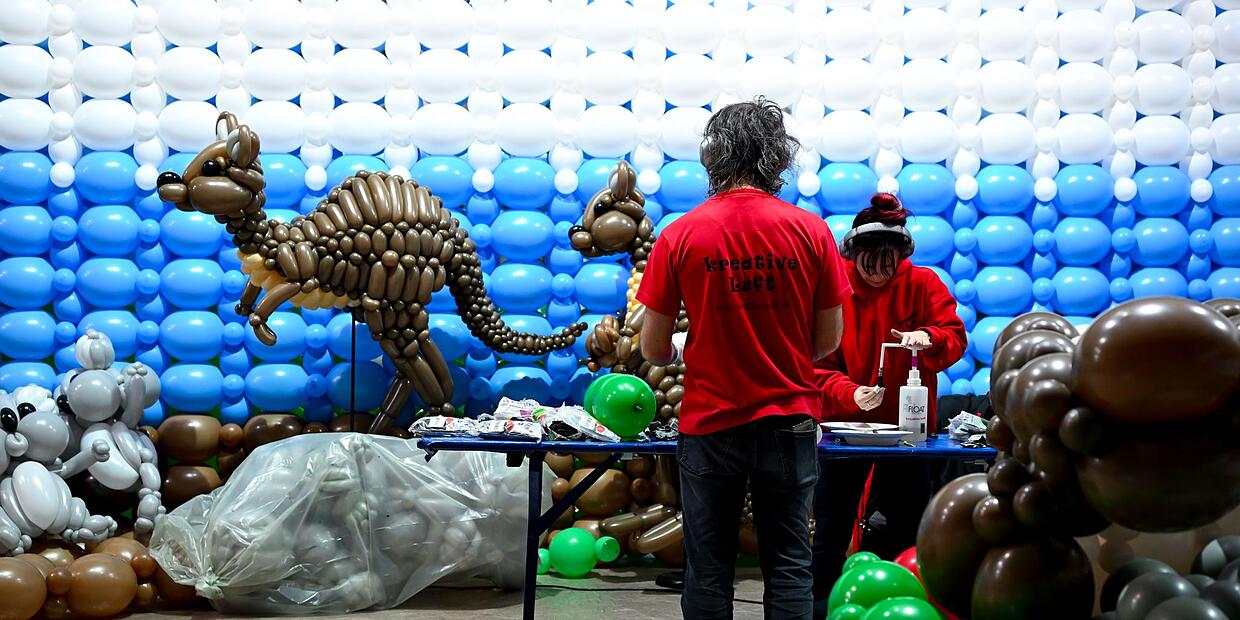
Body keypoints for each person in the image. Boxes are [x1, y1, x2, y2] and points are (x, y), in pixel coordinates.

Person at [635, 97, 851, 619]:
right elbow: (827, 341)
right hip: (790, 416)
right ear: (777, 156)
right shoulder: (811, 231)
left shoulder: (680, 234)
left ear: (714, 156)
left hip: (711, 420)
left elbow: (651, 349)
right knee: (790, 565)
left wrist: (690, 345)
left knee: (708, 569)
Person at [809, 193, 968, 612]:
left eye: (888, 266)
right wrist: (849, 392)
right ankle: (818, 608)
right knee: (830, 529)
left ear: (901, 256)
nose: (879, 276)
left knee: (905, 526)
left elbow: (954, 337)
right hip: (845, 431)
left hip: (909, 433)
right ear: (853, 254)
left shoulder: (924, 284)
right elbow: (816, 366)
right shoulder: (834, 289)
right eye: (870, 266)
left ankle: (901, 605)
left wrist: (929, 337)